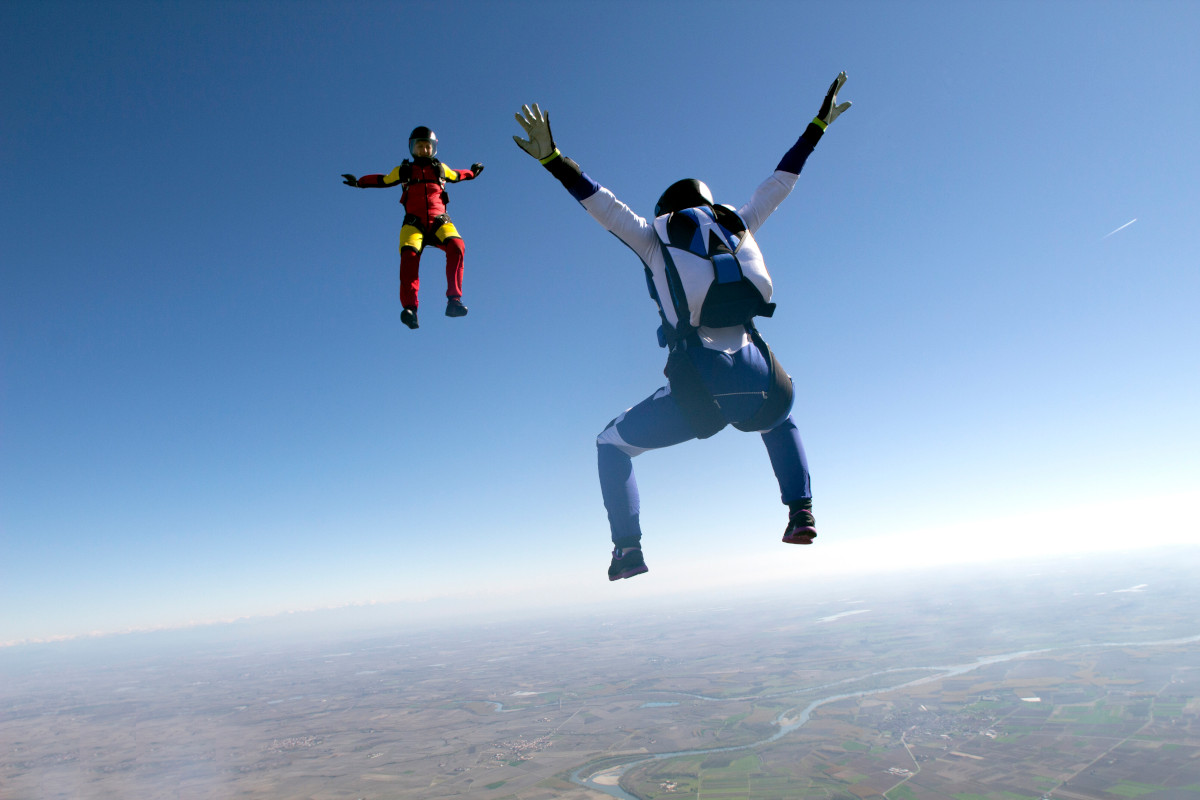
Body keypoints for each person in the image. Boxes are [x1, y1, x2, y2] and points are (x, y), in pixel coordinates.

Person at [512, 73, 851, 581]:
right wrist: (817, 126)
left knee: (612, 444)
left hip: (702, 385)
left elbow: (601, 206)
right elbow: (781, 181)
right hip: (762, 375)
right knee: (780, 415)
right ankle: (801, 512)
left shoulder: (654, 238)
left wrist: (552, 159)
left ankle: (628, 550)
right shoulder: (735, 221)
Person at [342, 126, 484, 329]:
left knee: (457, 245)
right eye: (420, 146)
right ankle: (410, 309)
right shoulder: (404, 170)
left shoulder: (440, 169)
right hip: (413, 223)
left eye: (427, 147)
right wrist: (359, 182)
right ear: (412, 148)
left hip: (439, 221)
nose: (424, 150)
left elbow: (458, 175)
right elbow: (383, 180)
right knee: (409, 257)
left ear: (433, 148)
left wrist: (473, 172)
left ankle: (454, 301)